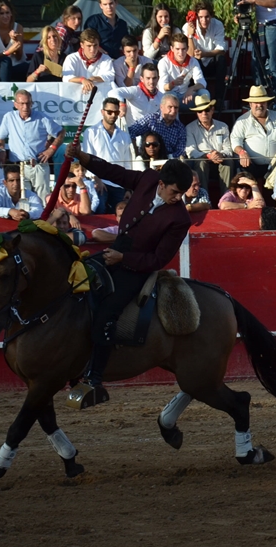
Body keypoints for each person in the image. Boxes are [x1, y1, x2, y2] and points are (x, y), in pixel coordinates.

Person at [66, 148, 194, 403]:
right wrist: (83, 157)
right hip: (114, 252)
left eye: (181, 193)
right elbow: (113, 172)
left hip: (137, 267)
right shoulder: (147, 179)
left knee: (106, 315)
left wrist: (124, 259)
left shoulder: (180, 218)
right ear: (161, 183)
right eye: (174, 192)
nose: (178, 198)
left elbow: (158, 259)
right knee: (74, 284)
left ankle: (94, 379)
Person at [0, 90, 65, 198]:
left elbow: (61, 132)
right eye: (22, 103)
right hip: (18, 166)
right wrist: (1, 151)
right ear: (16, 105)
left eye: (28, 103)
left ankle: (44, 215)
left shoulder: (42, 117)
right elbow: (0, 138)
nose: (25, 107)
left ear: (32, 104)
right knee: (23, 200)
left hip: (38, 164)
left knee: (44, 198)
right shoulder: (9, 117)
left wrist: (51, 149)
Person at [231, 86, 276, 179]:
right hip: (251, 165)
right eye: (256, 103)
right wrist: (242, 152)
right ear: (250, 104)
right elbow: (235, 140)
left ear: (267, 103)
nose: (259, 105)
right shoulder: (242, 121)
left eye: (262, 102)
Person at [82, 97, 134, 212]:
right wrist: (97, 179)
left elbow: (128, 164)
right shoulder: (90, 132)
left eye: (116, 112)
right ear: (102, 112)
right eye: (109, 112)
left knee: (123, 215)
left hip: (119, 184)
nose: (113, 115)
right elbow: (87, 159)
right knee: (99, 210)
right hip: (98, 182)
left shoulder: (124, 136)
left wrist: (128, 188)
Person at [185, 93, 232, 194]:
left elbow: (228, 149)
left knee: (228, 162)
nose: (204, 113)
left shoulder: (223, 126)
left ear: (212, 110)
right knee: (201, 162)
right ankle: (203, 197)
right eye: (200, 111)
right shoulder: (190, 128)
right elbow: (190, 151)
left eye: (206, 110)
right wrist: (208, 156)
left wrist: (221, 155)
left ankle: (227, 197)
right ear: (196, 113)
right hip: (203, 160)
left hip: (220, 160)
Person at [184, 2, 227, 104]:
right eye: (201, 17)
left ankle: (219, 99)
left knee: (221, 59)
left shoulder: (217, 24)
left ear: (211, 16)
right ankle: (194, 98)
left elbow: (221, 49)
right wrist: (190, 36)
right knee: (191, 62)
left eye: (207, 17)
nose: (204, 20)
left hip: (212, 62)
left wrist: (204, 54)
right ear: (196, 17)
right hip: (197, 63)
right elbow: (189, 54)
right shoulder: (188, 26)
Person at [128, 93, 186, 158]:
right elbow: (130, 131)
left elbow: (180, 151)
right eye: (170, 107)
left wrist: (167, 159)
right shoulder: (151, 119)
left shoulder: (180, 128)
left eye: (176, 108)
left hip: (170, 161)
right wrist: (136, 151)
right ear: (161, 107)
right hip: (148, 159)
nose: (173, 111)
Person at [157, 34, 207, 108]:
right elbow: (163, 88)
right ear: (172, 48)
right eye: (177, 49)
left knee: (204, 94)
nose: (181, 53)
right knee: (170, 97)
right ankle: (174, 119)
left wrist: (191, 88)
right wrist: (173, 83)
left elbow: (202, 83)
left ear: (187, 49)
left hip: (185, 96)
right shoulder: (163, 62)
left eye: (183, 49)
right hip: (170, 98)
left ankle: (202, 119)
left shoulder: (193, 61)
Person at [0, 0, 27, 82]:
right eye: (2, 13)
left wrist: (15, 40)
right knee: (5, 61)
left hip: (15, 65)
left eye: (7, 13)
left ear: (11, 13)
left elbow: (19, 57)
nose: (5, 16)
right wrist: (7, 52)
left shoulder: (18, 27)